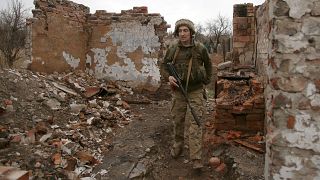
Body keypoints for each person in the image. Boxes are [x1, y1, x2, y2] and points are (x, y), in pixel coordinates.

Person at [161, 19, 213, 169]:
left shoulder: (200, 48)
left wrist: (207, 81)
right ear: (177, 33)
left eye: (186, 31)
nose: (183, 34)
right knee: (178, 120)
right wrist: (168, 77)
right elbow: (164, 66)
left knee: (195, 123)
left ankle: (196, 157)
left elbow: (209, 65)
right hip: (178, 92)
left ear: (191, 33)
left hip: (195, 91)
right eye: (180, 31)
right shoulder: (172, 49)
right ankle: (178, 145)